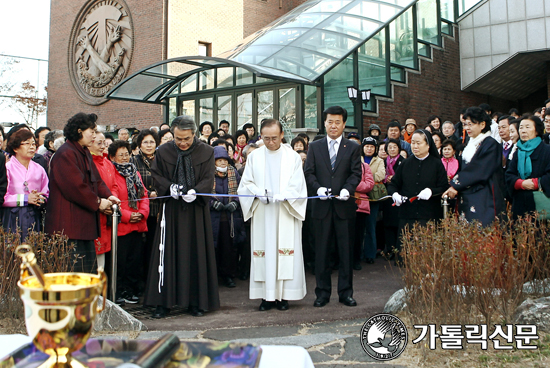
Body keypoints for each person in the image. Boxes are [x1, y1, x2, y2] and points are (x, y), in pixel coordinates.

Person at [143, 115, 219, 319]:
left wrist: (198, 191)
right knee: (166, 253)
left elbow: (208, 176)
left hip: (196, 211)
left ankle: (196, 301)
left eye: (186, 138)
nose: (183, 143)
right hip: (172, 210)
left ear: (194, 134)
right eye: (178, 139)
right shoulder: (164, 151)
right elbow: (156, 174)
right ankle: (163, 302)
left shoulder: (207, 151)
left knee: (196, 252)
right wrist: (170, 187)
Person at [239, 119, 307, 311]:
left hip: (285, 211)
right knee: (265, 251)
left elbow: (298, 185)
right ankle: (266, 296)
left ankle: (284, 296)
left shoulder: (292, 156)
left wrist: (284, 195)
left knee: (284, 252)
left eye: (274, 138)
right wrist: (258, 193)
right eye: (266, 138)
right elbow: (245, 184)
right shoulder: (255, 157)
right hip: (263, 212)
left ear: (282, 135)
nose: (270, 142)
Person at [45, 113, 120, 273]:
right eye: (91, 131)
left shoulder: (83, 151)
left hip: (82, 225)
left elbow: (96, 180)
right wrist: (99, 203)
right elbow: (76, 188)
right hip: (68, 227)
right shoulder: (65, 154)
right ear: (79, 131)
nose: (94, 135)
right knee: (73, 279)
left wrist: (108, 195)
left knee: (86, 277)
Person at [304, 106, 361, 308]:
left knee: (345, 252)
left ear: (344, 124)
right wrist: (317, 188)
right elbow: (308, 172)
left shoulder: (352, 147)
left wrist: (348, 189)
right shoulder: (315, 146)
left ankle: (346, 293)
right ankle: (322, 293)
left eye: (338, 122)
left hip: (344, 207)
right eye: (330, 122)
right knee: (321, 252)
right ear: (325, 123)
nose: (333, 126)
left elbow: (356, 173)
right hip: (321, 207)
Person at [388, 130, 448, 264]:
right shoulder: (405, 163)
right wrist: (395, 195)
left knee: (427, 258)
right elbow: (393, 185)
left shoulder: (437, 164)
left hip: (428, 215)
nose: (414, 146)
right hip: (407, 215)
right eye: (412, 143)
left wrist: (431, 191)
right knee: (406, 257)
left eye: (418, 143)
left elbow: (444, 187)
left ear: (428, 145)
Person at [442, 107, 505, 226]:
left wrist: (456, 184)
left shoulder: (491, 144)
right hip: (467, 194)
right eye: (465, 124)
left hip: (485, 196)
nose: (467, 128)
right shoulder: (470, 144)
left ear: (482, 124)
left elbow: (479, 169)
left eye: (471, 124)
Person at [109, 140, 149, 305]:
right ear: (113, 157)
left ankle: (131, 290)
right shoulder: (112, 174)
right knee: (121, 262)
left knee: (135, 260)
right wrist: (126, 215)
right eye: (121, 155)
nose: (125, 158)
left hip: (137, 223)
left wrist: (142, 212)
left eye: (127, 154)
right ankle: (120, 290)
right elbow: (113, 198)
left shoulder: (135, 172)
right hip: (122, 224)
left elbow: (143, 194)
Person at [2, 130, 48, 240]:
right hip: (12, 216)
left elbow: (46, 192)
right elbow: (3, 197)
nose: (32, 147)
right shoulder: (7, 168)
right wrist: (26, 198)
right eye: (27, 143)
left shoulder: (39, 169)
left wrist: (39, 199)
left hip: (34, 215)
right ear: (15, 148)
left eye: (33, 144)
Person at [130, 129, 161, 294]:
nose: (149, 145)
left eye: (152, 142)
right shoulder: (133, 161)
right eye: (145, 142)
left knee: (155, 247)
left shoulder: (161, 160)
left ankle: (155, 282)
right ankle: (140, 284)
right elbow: (130, 186)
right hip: (141, 210)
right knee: (140, 249)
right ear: (139, 145)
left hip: (158, 210)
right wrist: (148, 194)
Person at [210, 146, 246, 289]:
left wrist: (235, 203)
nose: (223, 163)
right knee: (214, 248)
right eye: (219, 161)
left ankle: (228, 276)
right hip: (214, 218)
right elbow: (204, 193)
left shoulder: (234, 173)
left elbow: (241, 190)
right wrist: (213, 203)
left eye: (225, 160)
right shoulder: (208, 174)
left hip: (230, 219)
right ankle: (214, 277)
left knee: (229, 249)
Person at [505, 116, 550, 218]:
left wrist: (536, 183)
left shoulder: (547, 151)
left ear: (537, 131)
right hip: (520, 204)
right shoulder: (518, 152)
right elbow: (509, 174)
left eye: (527, 127)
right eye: (521, 127)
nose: (523, 131)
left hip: (542, 203)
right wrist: (520, 183)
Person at [89, 131, 119, 281]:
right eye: (98, 143)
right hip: (94, 213)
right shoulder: (88, 163)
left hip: (107, 214)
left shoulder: (107, 163)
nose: (102, 147)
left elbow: (113, 185)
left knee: (104, 258)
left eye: (104, 144)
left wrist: (111, 199)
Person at [361, 137, 385, 265]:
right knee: (359, 226)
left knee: (371, 226)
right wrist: (369, 179)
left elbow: (381, 174)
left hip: (373, 197)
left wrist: (365, 178)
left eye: (371, 146)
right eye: (367, 146)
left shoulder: (380, 160)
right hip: (359, 196)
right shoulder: (357, 158)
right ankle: (358, 254)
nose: (369, 149)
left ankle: (370, 254)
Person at [382, 139, 404, 257]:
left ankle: (398, 251)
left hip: (399, 195)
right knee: (388, 224)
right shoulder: (384, 162)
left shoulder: (403, 161)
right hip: (387, 194)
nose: (392, 149)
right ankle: (389, 249)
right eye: (390, 147)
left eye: (394, 147)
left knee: (398, 224)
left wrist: (394, 179)